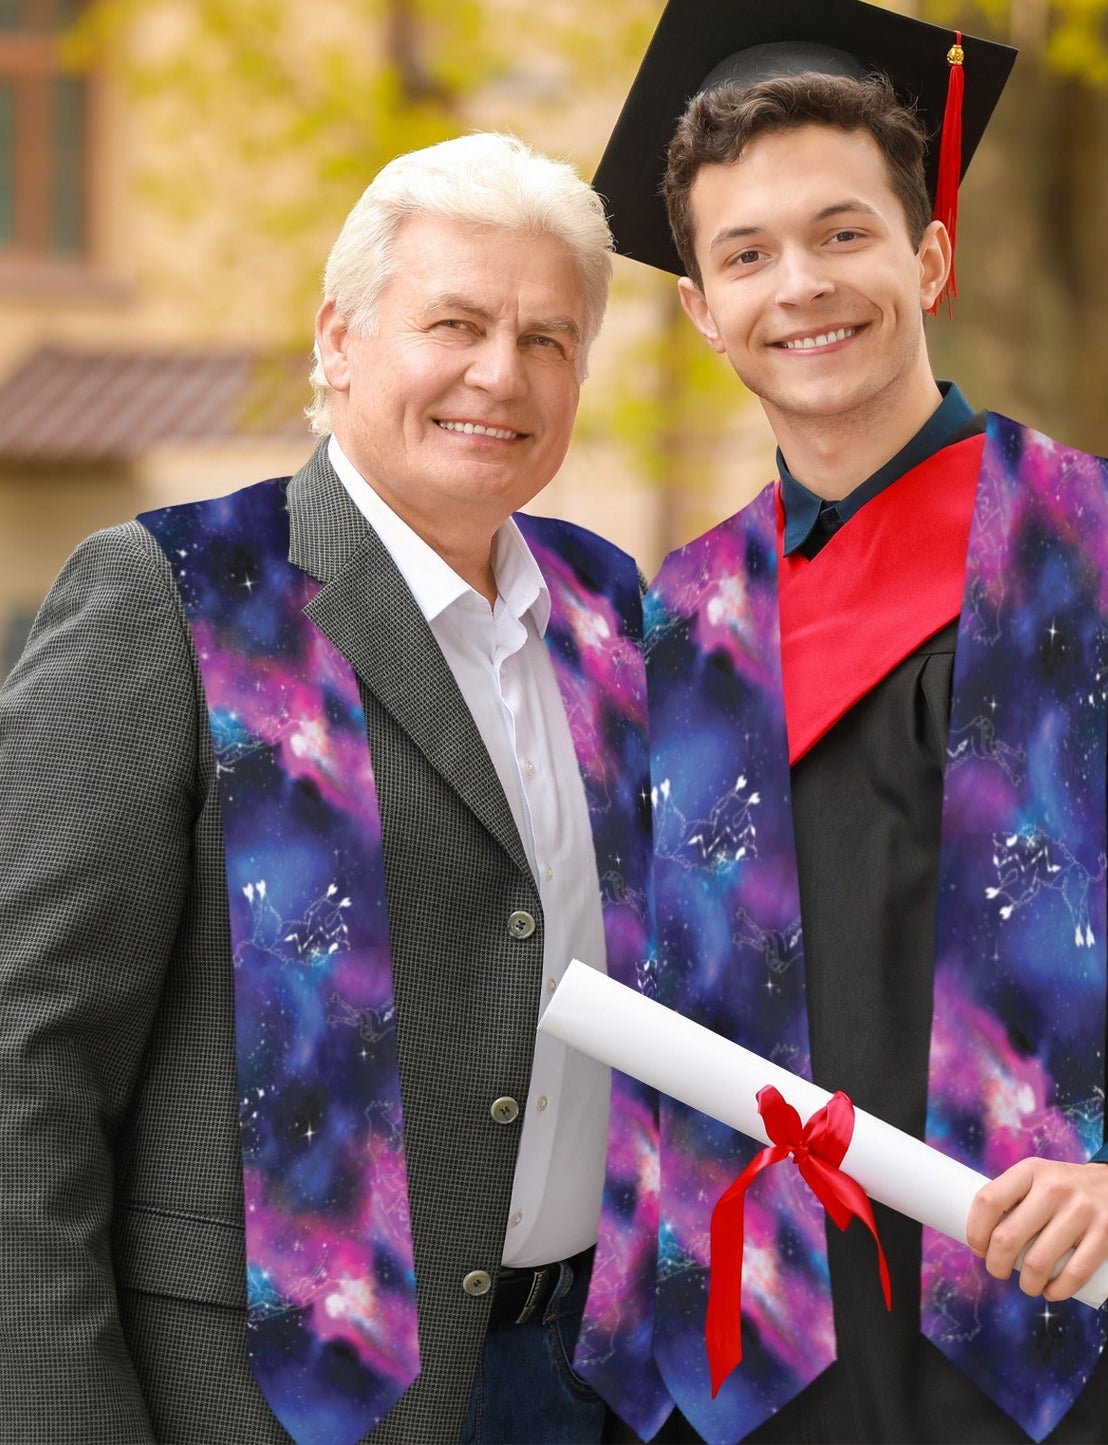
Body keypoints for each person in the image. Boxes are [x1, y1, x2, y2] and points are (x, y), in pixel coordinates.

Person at [573, 2, 1108, 1441]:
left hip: (1095, 1348)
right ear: (700, 307)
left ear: (928, 254)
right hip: (777, 1375)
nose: (800, 285)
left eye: (842, 233)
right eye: (745, 254)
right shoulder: (684, 630)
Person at [0, 132, 652, 1445]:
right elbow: (27, 1055)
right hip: (265, 1403)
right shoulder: (178, 596)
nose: (498, 373)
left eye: (547, 338)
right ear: (339, 339)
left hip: (585, 1390)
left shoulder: (611, 614)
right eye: (454, 321)